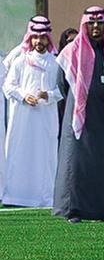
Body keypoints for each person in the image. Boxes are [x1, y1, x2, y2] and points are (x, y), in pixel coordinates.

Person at [52, 7, 104, 222]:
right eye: (92, 24)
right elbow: (62, 84)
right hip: (78, 116)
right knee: (76, 162)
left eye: (100, 24)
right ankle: (72, 210)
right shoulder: (71, 52)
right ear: (85, 25)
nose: (96, 27)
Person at [3, 16, 61, 207]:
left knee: (45, 156)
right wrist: (23, 96)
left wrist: (48, 95)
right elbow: (8, 86)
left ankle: (45, 197)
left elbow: (63, 91)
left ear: (48, 39)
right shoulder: (21, 61)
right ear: (30, 38)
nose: (39, 41)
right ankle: (16, 196)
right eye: (35, 37)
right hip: (23, 119)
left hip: (46, 120)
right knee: (20, 153)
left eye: (43, 37)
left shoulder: (56, 62)